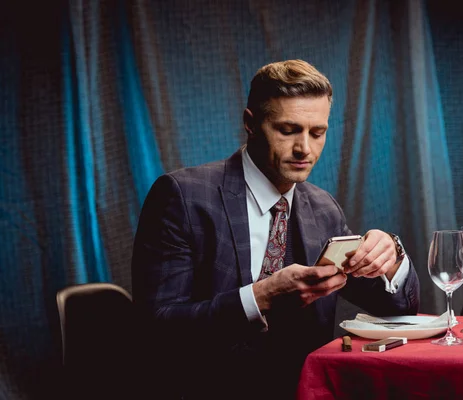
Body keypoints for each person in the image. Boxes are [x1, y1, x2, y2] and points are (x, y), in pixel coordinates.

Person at [131, 59, 420, 399]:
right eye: (288, 130)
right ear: (250, 123)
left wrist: (392, 258)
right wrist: (260, 297)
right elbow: (157, 328)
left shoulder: (324, 208)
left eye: (318, 132)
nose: (305, 149)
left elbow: (398, 310)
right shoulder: (182, 195)